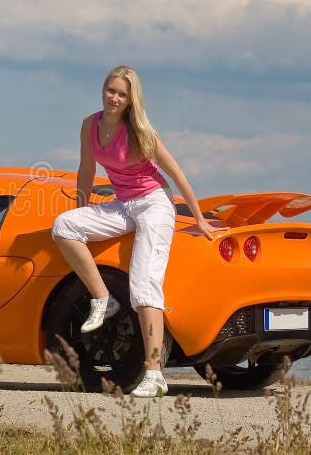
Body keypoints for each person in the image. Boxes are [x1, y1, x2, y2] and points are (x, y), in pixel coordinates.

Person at [51, 65, 217, 397]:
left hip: (154, 204)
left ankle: (154, 374)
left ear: (131, 100)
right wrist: (83, 209)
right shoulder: (90, 124)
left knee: (144, 287)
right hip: (123, 204)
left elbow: (176, 173)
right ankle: (103, 299)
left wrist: (198, 217)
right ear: (103, 90)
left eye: (122, 94)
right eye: (111, 90)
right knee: (64, 226)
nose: (114, 97)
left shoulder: (140, 132)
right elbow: (87, 168)